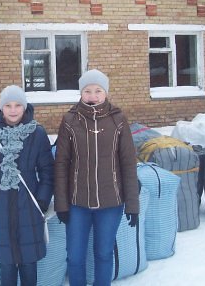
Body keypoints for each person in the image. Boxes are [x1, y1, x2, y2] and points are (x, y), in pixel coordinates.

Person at [54, 69, 139, 286]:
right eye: (88, 91)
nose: (93, 96)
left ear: (106, 93)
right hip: (77, 203)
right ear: (81, 93)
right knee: (75, 256)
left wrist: (133, 204)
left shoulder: (118, 120)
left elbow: (128, 163)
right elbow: (61, 163)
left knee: (103, 254)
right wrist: (61, 204)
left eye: (98, 91)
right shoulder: (70, 120)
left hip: (111, 202)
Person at [0, 85, 54, 286]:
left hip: (29, 207)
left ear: (24, 107)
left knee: (29, 265)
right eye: (8, 105)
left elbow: (47, 172)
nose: (13, 110)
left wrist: (42, 200)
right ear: (1, 109)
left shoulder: (37, 134)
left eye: (18, 105)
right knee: (6, 267)